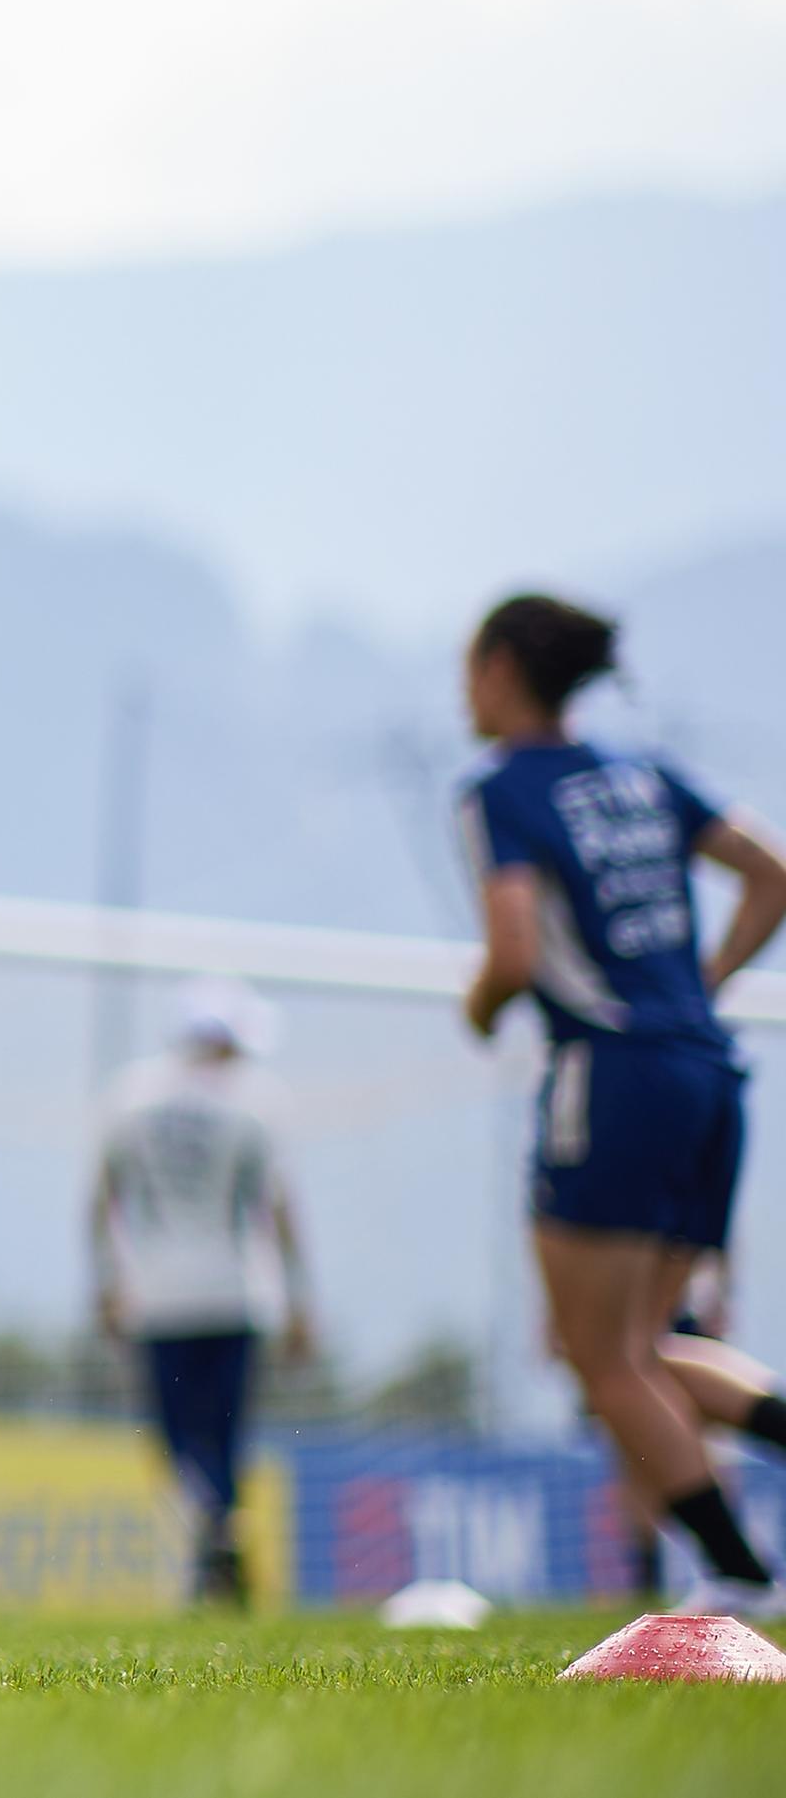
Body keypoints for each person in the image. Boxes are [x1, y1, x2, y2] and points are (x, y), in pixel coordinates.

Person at [460, 590, 786, 1613]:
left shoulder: (500, 789)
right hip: (707, 1071)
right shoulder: (642, 771)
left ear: (500, 670)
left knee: (597, 1358)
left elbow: (514, 952)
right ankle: (736, 1563)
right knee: (641, 1350)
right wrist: (701, 986)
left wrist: (480, 1007)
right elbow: (773, 873)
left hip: (612, 1074)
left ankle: (739, 1576)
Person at [92, 979, 314, 1605]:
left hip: (158, 1298)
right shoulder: (254, 1102)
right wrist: (299, 1296)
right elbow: (275, 1204)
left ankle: (212, 1548)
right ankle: (221, 1541)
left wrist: (106, 1280)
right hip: (235, 1295)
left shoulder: (131, 1098)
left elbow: (103, 1198)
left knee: (178, 1437)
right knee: (226, 1436)